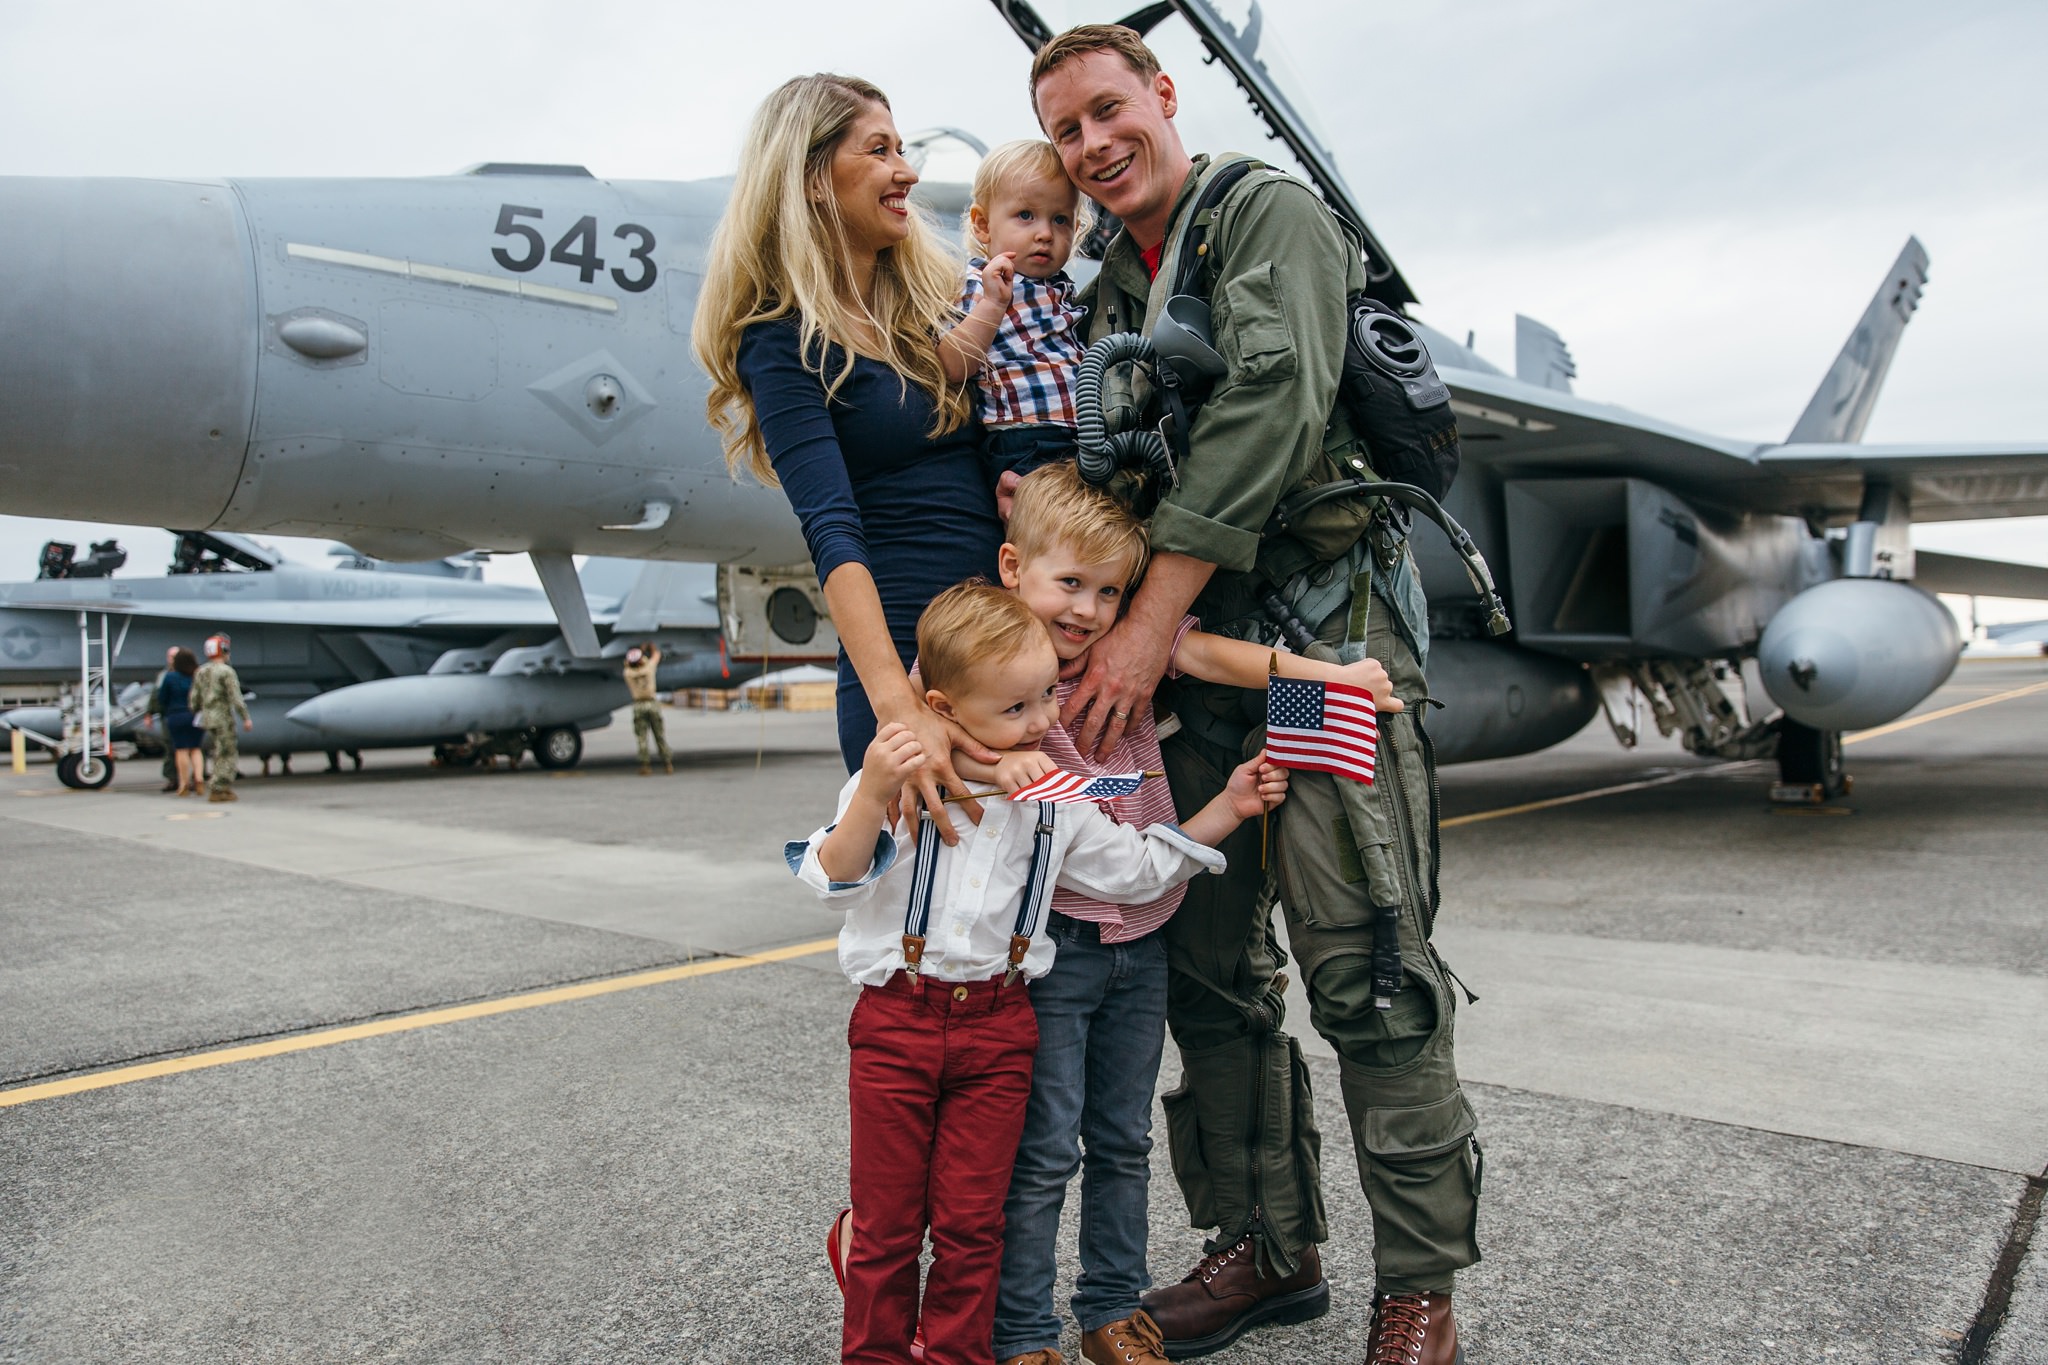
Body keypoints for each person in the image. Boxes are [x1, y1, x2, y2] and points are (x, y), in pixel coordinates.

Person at [1031, 26, 1482, 1363]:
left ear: (1165, 97)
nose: (1095, 144)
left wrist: (1143, 626)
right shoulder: (1112, 282)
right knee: (1210, 975)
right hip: (1194, 664)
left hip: (1321, 638)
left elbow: (1279, 400)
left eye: (1110, 110)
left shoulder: (1267, 212)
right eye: (1067, 130)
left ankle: (1421, 1293)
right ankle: (1267, 1246)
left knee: (1372, 969)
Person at [932, 464, 1399, 1365]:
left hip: (1140, 938)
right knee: (1042, 1153)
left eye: (1110, 592)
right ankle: (1024, 1331)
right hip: (1050, 944)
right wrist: (988, 763)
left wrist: (1327, 673)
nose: (1088, 611)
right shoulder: (992, 651)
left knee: (1120, 1138)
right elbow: (927, 710)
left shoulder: (1124, 653)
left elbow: (1215, 654)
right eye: (1070, 583)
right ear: (1013, 565)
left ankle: (1112, 1310)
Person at [786, 581, 1288, 1365]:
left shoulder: (1052, 802)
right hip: (898, 1021)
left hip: (999, 1025)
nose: (1048, 723)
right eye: (1020, 708)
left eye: (1046, 697)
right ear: (946, 706)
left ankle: (961, 1353)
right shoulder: (898, 786)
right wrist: (873, 792)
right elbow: (832, 880)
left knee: (972, 1223)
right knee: (887, 1225)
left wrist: (1224, 807)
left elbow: (1134, 869)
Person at [694, 73, 1004, 824]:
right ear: (812, 179)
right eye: (880, 150)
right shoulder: (780, 341)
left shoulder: (937, 320)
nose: (908, 171)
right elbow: (833, 532)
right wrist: (901, 712)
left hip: (1004, 650)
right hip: (910, 660)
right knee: (932, 931)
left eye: (903, 148)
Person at [937, 139, 1087, 481]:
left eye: (1061, 219)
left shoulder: (1059, 288)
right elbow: (952, 364)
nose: (1045, 234)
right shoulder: (980, 282)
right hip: (1025, 439)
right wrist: (993, 304)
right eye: (1026, 216)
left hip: (1080, 437)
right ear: (983, 225)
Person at [192, 633, 253, 803]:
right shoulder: (226, 671)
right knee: (227, 752)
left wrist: (198, 710)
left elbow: (194, 698)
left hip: (207, 717)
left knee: (218, 751)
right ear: (224, 650)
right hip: (223, 717)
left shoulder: (201, 671)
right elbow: (236, 697)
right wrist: (245, 717)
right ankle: (220, 788)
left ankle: (217, 784)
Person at [156, 647, 205, 798]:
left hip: (176, 715)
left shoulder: (170, 677)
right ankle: (199, 778)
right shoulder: (198, 675)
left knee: (181, 750)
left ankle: (184, 783)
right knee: (196, 749)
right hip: (195, 715)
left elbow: (162, 698)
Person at [623, 643, 672, 775]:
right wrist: (650, 647)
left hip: (638, 705)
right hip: (652, 704)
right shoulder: (649, 668)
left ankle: (645, 766)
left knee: (641, 737)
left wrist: (637, 652)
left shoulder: (628, 673)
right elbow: (657, 655)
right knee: (659, 735)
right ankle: (667, 764)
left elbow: (627, 663)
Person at [140, 645, 179, 791]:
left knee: (192, 748)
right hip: (167, 716)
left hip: (183, 715)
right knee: (170, 747)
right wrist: (149, 713)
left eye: (175, 657)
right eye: (171, 657)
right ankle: (172, 779)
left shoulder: (190, 673)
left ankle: (195, 777)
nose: (173, 660)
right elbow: (155, 696)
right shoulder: (163, 675)